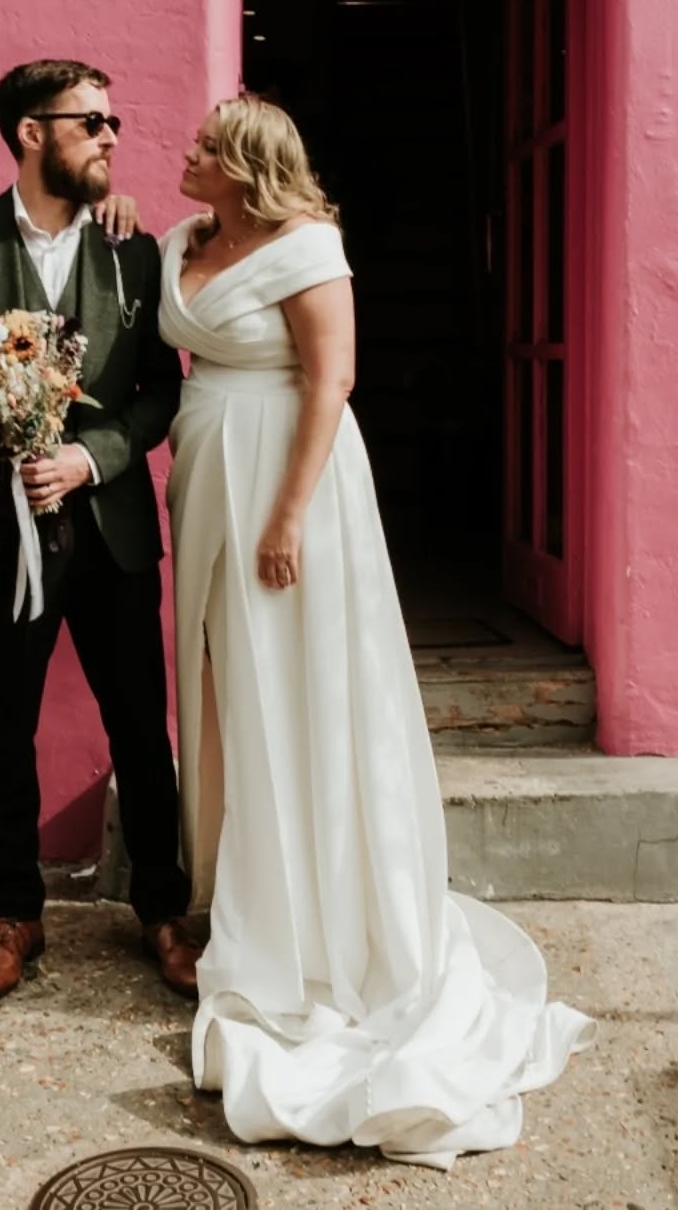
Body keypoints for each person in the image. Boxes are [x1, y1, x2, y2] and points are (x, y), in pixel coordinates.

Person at [157, 93, 594, 1169]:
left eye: (205, 146)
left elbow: (332, 380)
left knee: (297, 686)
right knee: (228, 687)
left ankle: (320, 922)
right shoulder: (179, 241)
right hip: (208, 474)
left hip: (291, 484)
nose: (186, 153)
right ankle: (245, 885)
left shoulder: (310, 246)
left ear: (245, 165)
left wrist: (288, 516)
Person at [0, 59, 201, 1004]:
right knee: (6, 727)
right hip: (0, 537)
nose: (111, 136)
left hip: (112, 533)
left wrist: (92, 456)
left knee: (141, 730)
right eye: (92, 122)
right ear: (33, 132)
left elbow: (160, 393)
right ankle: (15, 917)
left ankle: (162, 912)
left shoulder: (133, 251)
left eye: (114, 121)